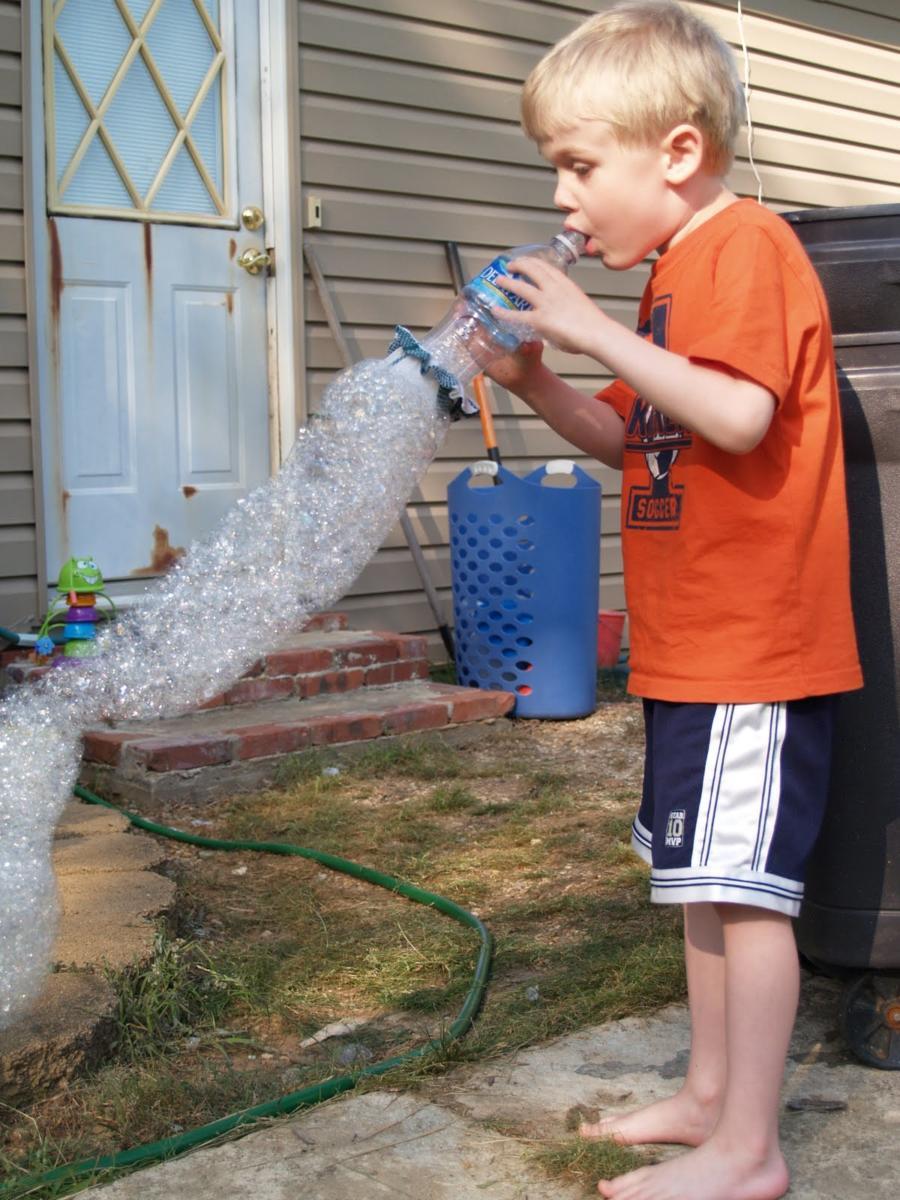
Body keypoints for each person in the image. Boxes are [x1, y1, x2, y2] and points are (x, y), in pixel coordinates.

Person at [485, 2, 863, 1198]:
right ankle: (710, 1096)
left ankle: (750, 1151)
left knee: (747, 900)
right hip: (690, 647)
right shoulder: (670, 279)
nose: (566, 198)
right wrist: (543, 375)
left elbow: (741, 417)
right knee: (700, 882)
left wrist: (589, 322)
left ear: (680, 153)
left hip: (757, 646)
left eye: (581, 165)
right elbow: (635, 438)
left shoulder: (742, 249)